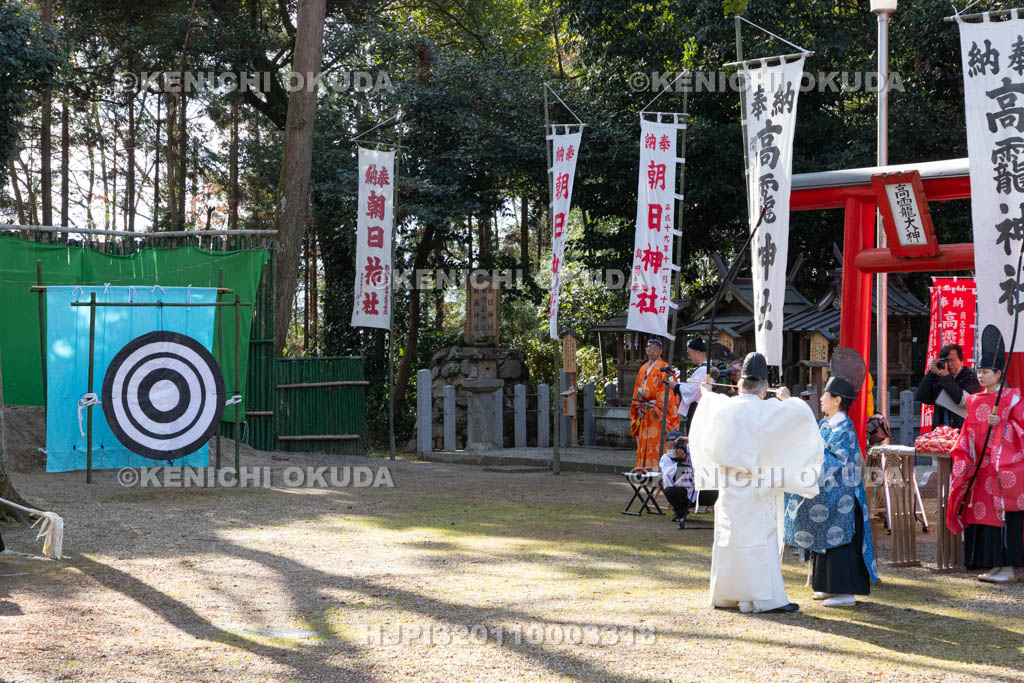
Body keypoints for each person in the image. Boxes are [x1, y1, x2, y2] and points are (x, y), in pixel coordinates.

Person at [689, 352, 824, 614]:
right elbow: (799, 414)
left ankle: (725, 596)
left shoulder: (724, 408)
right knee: (759, 541)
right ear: (764, 388)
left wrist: (706, 392)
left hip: (730, 486)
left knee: (729, 539)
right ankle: (763, 600)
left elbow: (711, 405)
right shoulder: (768, 410)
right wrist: (786, 398)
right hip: (758, 487)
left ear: (740, 384)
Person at [784, 348, 879, 608]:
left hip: (843, 499)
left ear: (837, 400)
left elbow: (834, 462)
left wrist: (810, 455)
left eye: (826, 395)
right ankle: (826, 585)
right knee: (823, 538)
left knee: (841, 543)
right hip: (827, 494)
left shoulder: (845, 429)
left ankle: (845, 592)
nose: (822, 399)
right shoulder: (826, 425)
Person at [946, 326, 1024, 584]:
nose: (980, 375)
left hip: (1005, 470)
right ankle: (993, 564)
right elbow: (968, 431)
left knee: (1004, 518)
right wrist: (965, 458)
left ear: (998, 373)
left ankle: (1008, 568)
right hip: (981, 468)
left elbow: (1022, 429)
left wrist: (1002, 425)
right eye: (979, 371)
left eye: (986, 372)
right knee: (984, 517)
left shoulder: (1012, 399)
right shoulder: (974, 400)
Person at [630, 337, 679, 470]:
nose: (651, 351)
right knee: (644, 443)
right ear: (646, 350)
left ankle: (658, 471)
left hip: (657, 413)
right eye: (649, 348)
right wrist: (638, 407)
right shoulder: (643, 368)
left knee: (656, 443)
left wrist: (657, 407)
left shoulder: (665, 368)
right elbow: (636, 389)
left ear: (661, 351)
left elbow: (669, 392)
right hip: (644, 411)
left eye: (655, 349)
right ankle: (644, 471)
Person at [659, 431, 719, 530]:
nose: (672, 448)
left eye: (675, 445)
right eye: (669, 446)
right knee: (670, 490)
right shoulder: (665, 458)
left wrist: (690, 440)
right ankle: (681, 513)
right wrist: (681, 461)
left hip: (700, 492)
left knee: (717, 490)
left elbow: (709, 449)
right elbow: (671, 477)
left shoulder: (693, 450)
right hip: (682, 495)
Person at [916, 343, 981, 429]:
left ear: (961, 360)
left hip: (962, 430)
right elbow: (922, 397)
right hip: (940, 429)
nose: (949, 364)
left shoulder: (971, 377)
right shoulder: (940, 376)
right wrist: (931, 373)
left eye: (952, 360)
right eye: (946, 361)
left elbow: (963, 401)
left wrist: (946, 378)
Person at [668, 337, 708, 428]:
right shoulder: (703, 369)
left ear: (697, 353)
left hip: (698, 410)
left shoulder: (703, 370)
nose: (689, 357)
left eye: (690, 354)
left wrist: (676, 386)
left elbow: (692, 391)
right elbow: (692, 386)